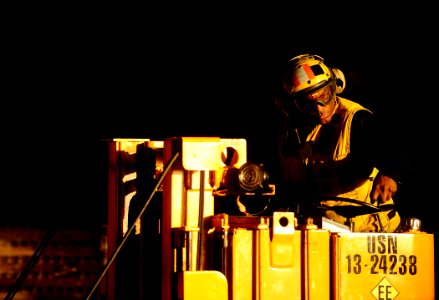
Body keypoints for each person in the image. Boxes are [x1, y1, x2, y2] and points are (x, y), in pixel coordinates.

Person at [271, 53, 411, 232]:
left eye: (325, 96)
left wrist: (391, 174)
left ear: (336, 87)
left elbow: (398, 145)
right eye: (308, 103)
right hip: (322, 232)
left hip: (373, 231)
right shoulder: (291, 134)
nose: (320, 108)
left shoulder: (357, 119)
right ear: (295, 105)